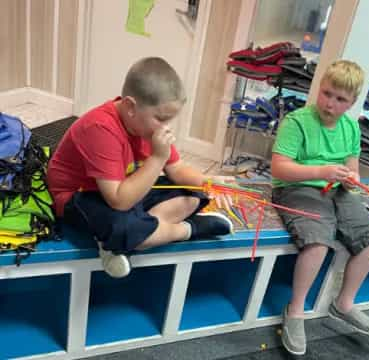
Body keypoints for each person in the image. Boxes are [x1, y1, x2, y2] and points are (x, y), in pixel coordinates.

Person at [47, 57, 233, 278]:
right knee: (123, 224)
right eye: (161, 119)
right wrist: (157, 158)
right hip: (78, 197)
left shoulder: (145, 126)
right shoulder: (99, 128)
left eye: (170, 120)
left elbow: (177, 169)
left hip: (125, 188)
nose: (166, 127)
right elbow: (119, 200)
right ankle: (187, 229)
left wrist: (208, 182)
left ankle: (125, 239)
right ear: (130, 107)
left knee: (191, 195)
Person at [271, 60, 369, 355]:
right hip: (296, 188)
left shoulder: (350, 127)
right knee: (318, 241)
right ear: (319, 88)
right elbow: (280, 169)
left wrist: (352, 181)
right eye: (326, 93)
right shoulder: (296, 121)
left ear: (352, 103)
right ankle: (295, 311)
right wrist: (320, 171)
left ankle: (343, 303)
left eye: (340, 99)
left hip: (335, 191)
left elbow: (352, 167)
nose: (330, 103)